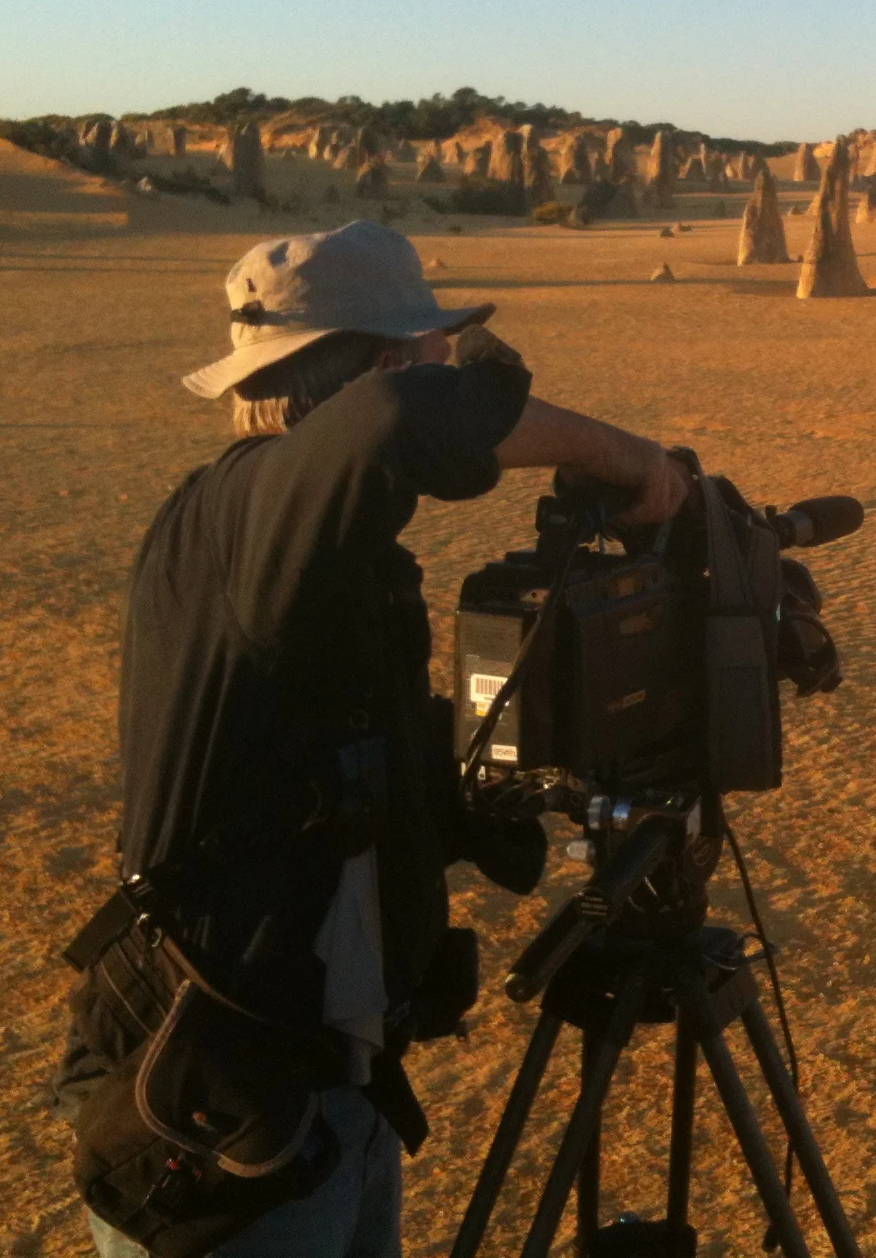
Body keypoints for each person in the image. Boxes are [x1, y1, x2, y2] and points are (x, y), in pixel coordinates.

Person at [52, 220, 691, 1256]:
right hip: (221, 1122)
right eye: (431, 348)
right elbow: (398, 420)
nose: (445, 367)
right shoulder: (242, 515)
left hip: (325, 1098)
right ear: (383, 360)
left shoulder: (330, 567)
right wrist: (622, 455)